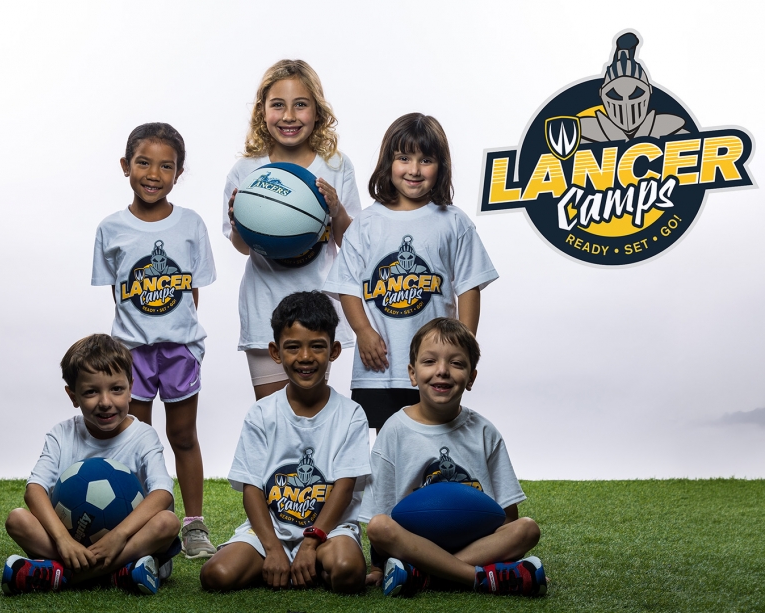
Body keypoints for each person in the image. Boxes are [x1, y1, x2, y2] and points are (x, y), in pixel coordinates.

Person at [324, 113, 498, 431]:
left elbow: (469, 287)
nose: (414, 170)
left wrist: (466, 346)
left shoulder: (453, 222)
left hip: (436, 366)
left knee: (433, 440)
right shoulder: (365, 224)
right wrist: (363, 331)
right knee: (379, 450)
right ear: (388, 162)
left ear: (440, 167)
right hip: (378, 368)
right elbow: (347, 286)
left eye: (426, 160)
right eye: (404, 158)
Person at [91, 123, 218, 558]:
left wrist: (181, 338)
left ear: (179, 174)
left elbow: (192, 291)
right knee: (138, 440)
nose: (153, 173)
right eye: (144, 162)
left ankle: (193, 523)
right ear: (126, 166)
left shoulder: (190, 224)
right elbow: (118, 291)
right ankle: (141, 526)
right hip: (131, 354)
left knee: (183, 436)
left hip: (179, 350)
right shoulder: (111, 228)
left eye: (166, 166)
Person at [361, 318, 547, 597]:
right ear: (412, 373)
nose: (442, 371)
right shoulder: (395, 430)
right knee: (378, 527)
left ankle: (424, 576)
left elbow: (508, 516)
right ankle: (479, 577)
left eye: (457, 364)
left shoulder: (485, 432)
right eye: (429, 362)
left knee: (528, 529)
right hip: (414, 542)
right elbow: (381, 510)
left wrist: (503, 543)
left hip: (473, 543)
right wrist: (376, 567)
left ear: (471, 377)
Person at [199, 292, 370, 593]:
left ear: (334, 350)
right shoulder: (262, 413)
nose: (305, 357)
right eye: (293, 347)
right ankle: (284, 564)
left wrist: (311, 542)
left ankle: (308, 563)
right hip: (272, 529)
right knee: (217, 575)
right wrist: (273, 548)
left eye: (317, 346)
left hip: (329, 531)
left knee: (347, 571)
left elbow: (344, 488)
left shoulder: (351, 414)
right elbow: (252, 487)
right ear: (276, 353)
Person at [223, 59, 363, 401]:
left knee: (309, 408)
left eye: (301, 105)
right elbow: (242, 246)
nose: (289, 116)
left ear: (317, 111)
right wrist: (240, 224)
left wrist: (336, 209)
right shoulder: (246, 171)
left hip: (318, 306)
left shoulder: (336, 165)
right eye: (278, 105)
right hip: (264, 305)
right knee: (272, 414)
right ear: (262, 112)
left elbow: (351, 242)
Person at [1, 334, 181, 596]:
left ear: (131, 387)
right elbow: (34, 489)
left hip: (128, 542)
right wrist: (63, 541)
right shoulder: (62, 434)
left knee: (167, 522)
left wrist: (117, 536)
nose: (105, 402)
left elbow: (162, 493)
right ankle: (120, 574)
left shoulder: (143, 436)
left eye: (116, 389)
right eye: (91, 392)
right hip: (72, 544)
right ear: (72, 395)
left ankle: (61, 576)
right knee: (17, 519)